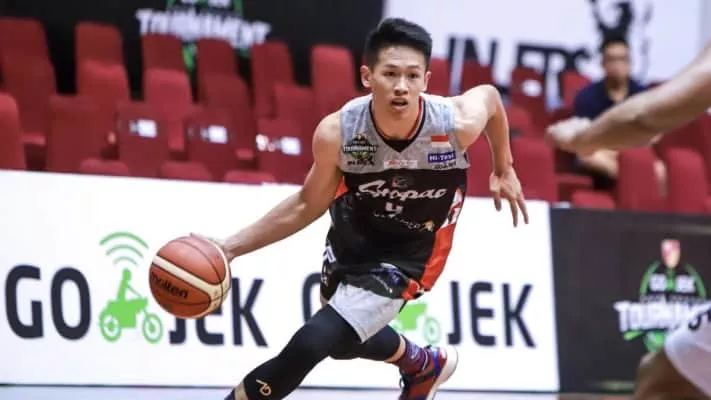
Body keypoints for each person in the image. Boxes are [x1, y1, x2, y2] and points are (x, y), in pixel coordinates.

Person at [201, 18, 528, 400]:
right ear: (367, 76)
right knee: (342, 342)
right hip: (353, 236)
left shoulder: (454, 124)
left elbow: (490, 97)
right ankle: (423, 364)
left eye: (412, 75)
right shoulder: (339, 133)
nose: (401, 86)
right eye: (390, 74)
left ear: (426, 81)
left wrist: (504, 167)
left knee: (312, 342)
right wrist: (230, 248)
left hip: (412, 250)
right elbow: (307, 203)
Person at [546, 41, 711, 400]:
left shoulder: (637, 93)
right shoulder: (590, 96)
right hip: (605, 167)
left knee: (658, 378)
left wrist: (582, 137)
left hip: (609, 139)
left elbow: (644, 119)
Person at [571, 36, 661, 191]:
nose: (617, 65)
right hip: (601, 152)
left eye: (622, 59)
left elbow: (655, 134)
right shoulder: (586, 97)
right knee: (589, 157)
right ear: (603, 63)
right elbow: (585, 137)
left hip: (634, 151)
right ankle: (630, 182)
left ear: (630, 62)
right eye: (612, 60)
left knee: (660, 170)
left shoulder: (642, 95)